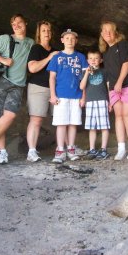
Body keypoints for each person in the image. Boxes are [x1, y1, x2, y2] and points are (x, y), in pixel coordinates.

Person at [0, 14, 34, 164]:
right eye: (13, 23)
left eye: (19, 22)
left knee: (9, 116)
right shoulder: (5, 39)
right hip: (1, 81)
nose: (16, 25)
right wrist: (2, 59)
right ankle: (2, 152)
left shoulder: (31, 43)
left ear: (26, 23)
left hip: (18, 84)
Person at [99, 21, 128, 160]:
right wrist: (109, 97)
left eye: (110, 30)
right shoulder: (106, 53)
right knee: (118, 116)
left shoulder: (123, 44)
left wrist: (119, 82)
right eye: (104, 30)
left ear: (116, 33)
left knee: (127, 114)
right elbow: (108, 76)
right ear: (101, 34)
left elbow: (127, 63)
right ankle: (121, 149)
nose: (107, 33)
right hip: (114, 88)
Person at [47, 28, 88, 164]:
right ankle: (60, 150)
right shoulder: (56, 57)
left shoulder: (81, 57)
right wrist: (52, 95)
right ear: (62, 40)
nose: (70, 40)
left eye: (72, 38)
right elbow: (52, 77)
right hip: (61, 96)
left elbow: (84, 79)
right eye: (67, 38)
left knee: (73, 123)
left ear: (76, 41)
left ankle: (71, 149)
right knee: (61, 123)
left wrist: (83, 97)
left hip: (76, 95)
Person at [25, 20, 59, 162]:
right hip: (38, 88)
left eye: (49, 30)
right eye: (44, 30)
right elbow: (32, 68)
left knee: (60, 120)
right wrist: (49, 57)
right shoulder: (36, 49)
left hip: (55, 89)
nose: (47, 33)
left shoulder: (56, 49)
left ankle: (63, 149)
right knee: (36, 120)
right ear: (39, 33)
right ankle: (31, 151)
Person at [79, 49, 110, 160]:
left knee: (104, 126)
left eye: (96, 58)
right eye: (91, 58)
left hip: (102, 100)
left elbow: (108, 87)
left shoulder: (104, 71)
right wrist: (87, 72)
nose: (93, 60)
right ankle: (92, 149)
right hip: (90, 102)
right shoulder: (84, 72)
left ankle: (103, 150)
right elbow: (82, 87)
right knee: (92, 127)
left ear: (101, 60)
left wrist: (110, 102)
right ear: (87, 60)